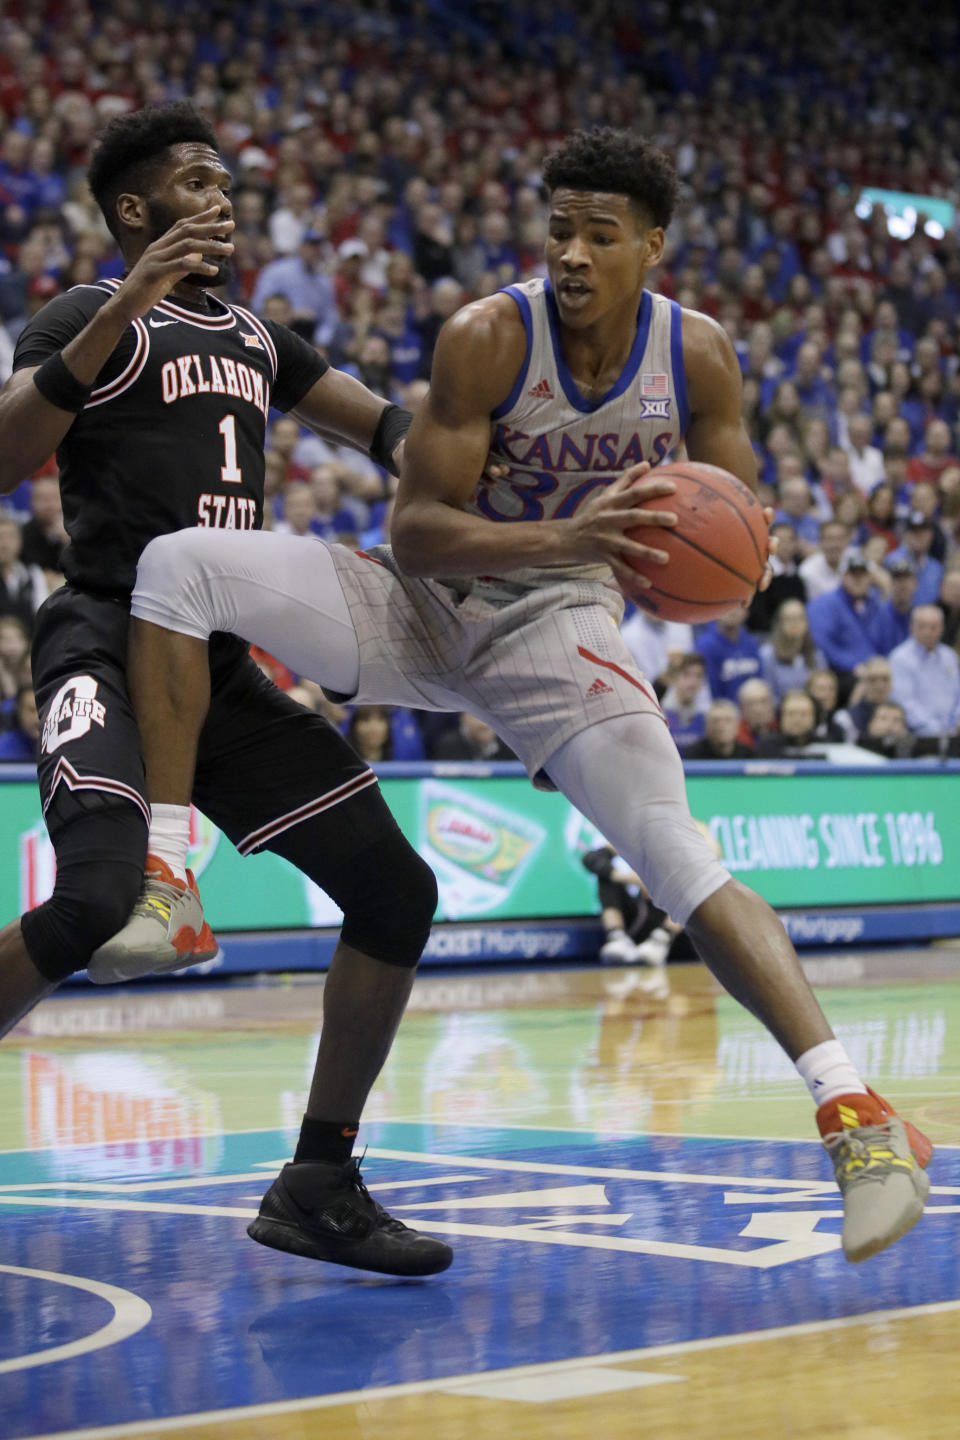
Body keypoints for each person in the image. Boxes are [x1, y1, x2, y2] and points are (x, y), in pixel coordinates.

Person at [113, 128, 931, 1263]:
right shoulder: (489, 336)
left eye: (602, 234)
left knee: (680, 855)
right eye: (560, 230)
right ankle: (165, 874)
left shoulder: (699, 358)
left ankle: (857, 1118)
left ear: (653, 245)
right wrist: (571, 531)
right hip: (420, 602)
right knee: (178, 566)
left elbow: (733, 502)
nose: (575, 255)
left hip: (557, 632)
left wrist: (743, 540)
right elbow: (414, 527)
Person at [0, 103, 453, 1280]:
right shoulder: (82, 320)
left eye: (226, 181)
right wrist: (121, 307)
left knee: (397, 892)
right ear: (136, 212)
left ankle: (318, 1180)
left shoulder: (256, 336)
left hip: (220, 667)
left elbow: (390, 426)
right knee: (96, 901)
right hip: (101, 638)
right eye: (194, 183)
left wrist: (496, 448)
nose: (222, 198)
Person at [889, 605, 960, 738]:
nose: (928, 632)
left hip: (954, 732)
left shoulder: (949, 656)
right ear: (912, 628)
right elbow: (904, 702)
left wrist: (957, 721)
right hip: (918, 734)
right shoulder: (900, 658)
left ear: (942, 629)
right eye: (922, 626)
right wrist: (937, 730)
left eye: (933, 627)